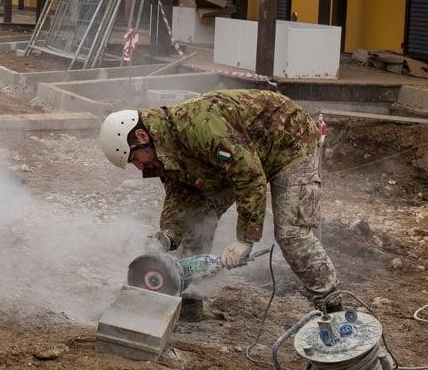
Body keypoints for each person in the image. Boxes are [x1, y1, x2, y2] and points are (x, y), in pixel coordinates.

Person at [99, 89, 340, 321]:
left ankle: (333, 306)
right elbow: (181, 194)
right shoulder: (163, 148)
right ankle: (189, 298)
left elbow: (249, 175)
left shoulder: (200, 127)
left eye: (134, 158)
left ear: (141, 137)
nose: (138, 167)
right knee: (196, 220)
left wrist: (245, 239)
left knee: (291, 233)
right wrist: (169, 235)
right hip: (246, 156)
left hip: (289, 142)